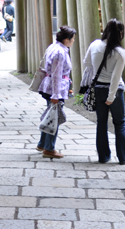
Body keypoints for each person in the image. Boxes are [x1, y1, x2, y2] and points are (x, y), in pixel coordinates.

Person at [83, 19, 125, 165]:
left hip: (98, 89)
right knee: (120, 123)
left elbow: (86, 63)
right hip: (115, 92)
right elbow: (115, 78)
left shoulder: (95, 44)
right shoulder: (120, 52)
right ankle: (123, 158)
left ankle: (103, 156)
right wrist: (111, 96)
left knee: (101, 123)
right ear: (120, 34)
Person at [36, 26, 76, 159]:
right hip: (54, 89)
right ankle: (49, 148)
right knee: (55, 118)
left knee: (50, 114)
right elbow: (57, 74)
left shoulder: (54, 47)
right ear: (66, 40)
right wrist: (56, 95)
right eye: (72, 38)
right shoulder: (60, 52)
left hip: (49, 87)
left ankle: (42, 144)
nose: (73, 41)